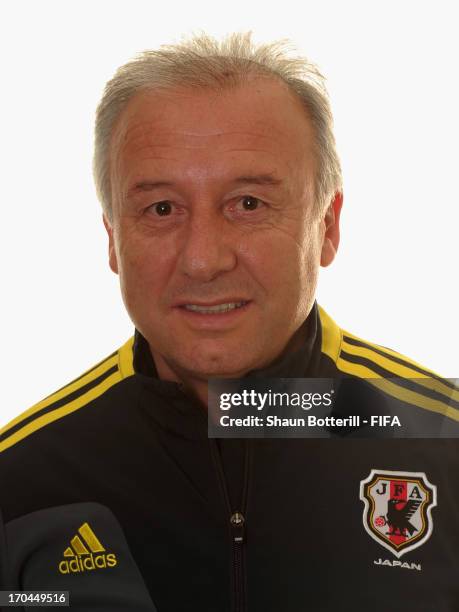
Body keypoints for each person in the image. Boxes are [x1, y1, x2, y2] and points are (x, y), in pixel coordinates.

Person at [0, 32, 457, 611]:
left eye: (248, 204)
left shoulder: (444, 439)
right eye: (161, 209)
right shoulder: (20, 482)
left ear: (328, 224)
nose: (203, 259)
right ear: (114, 238)